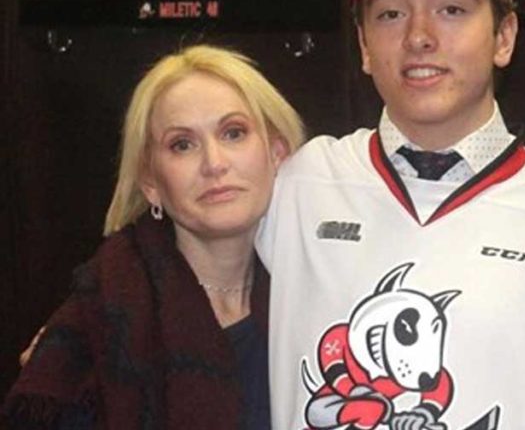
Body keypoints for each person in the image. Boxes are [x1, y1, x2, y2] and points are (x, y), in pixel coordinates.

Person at [256, 0, 525, 430]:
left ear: (504, 36)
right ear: (364, 45)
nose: (418, 36)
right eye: (390, 13)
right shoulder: (300, 182)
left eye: (451, 9)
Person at [2, 45, 305, 429]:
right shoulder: (96, 324)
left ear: (277, 153)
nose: (214, 163)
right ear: (150, 183)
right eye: (182, 144)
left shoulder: (322, 295)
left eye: (233, 133)